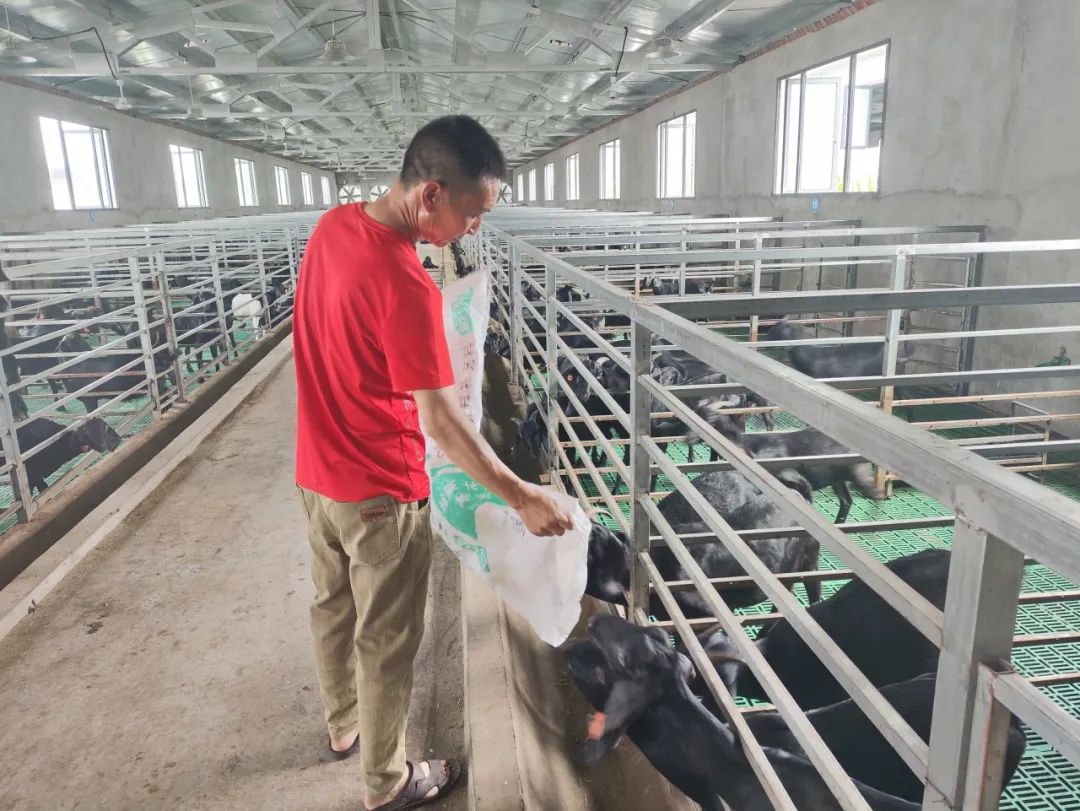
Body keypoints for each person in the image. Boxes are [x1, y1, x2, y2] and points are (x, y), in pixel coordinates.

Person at [293, 115, 576, 811]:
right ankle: (388, 783)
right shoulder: (407, 287)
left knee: (332, 606)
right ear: (431, 196)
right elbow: (444, 424)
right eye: (473, 213)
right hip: (380, 493)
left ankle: (343, 727)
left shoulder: (331, 229)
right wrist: (522, 496)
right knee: (387, 642)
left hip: (315, 474)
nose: (476, 229)